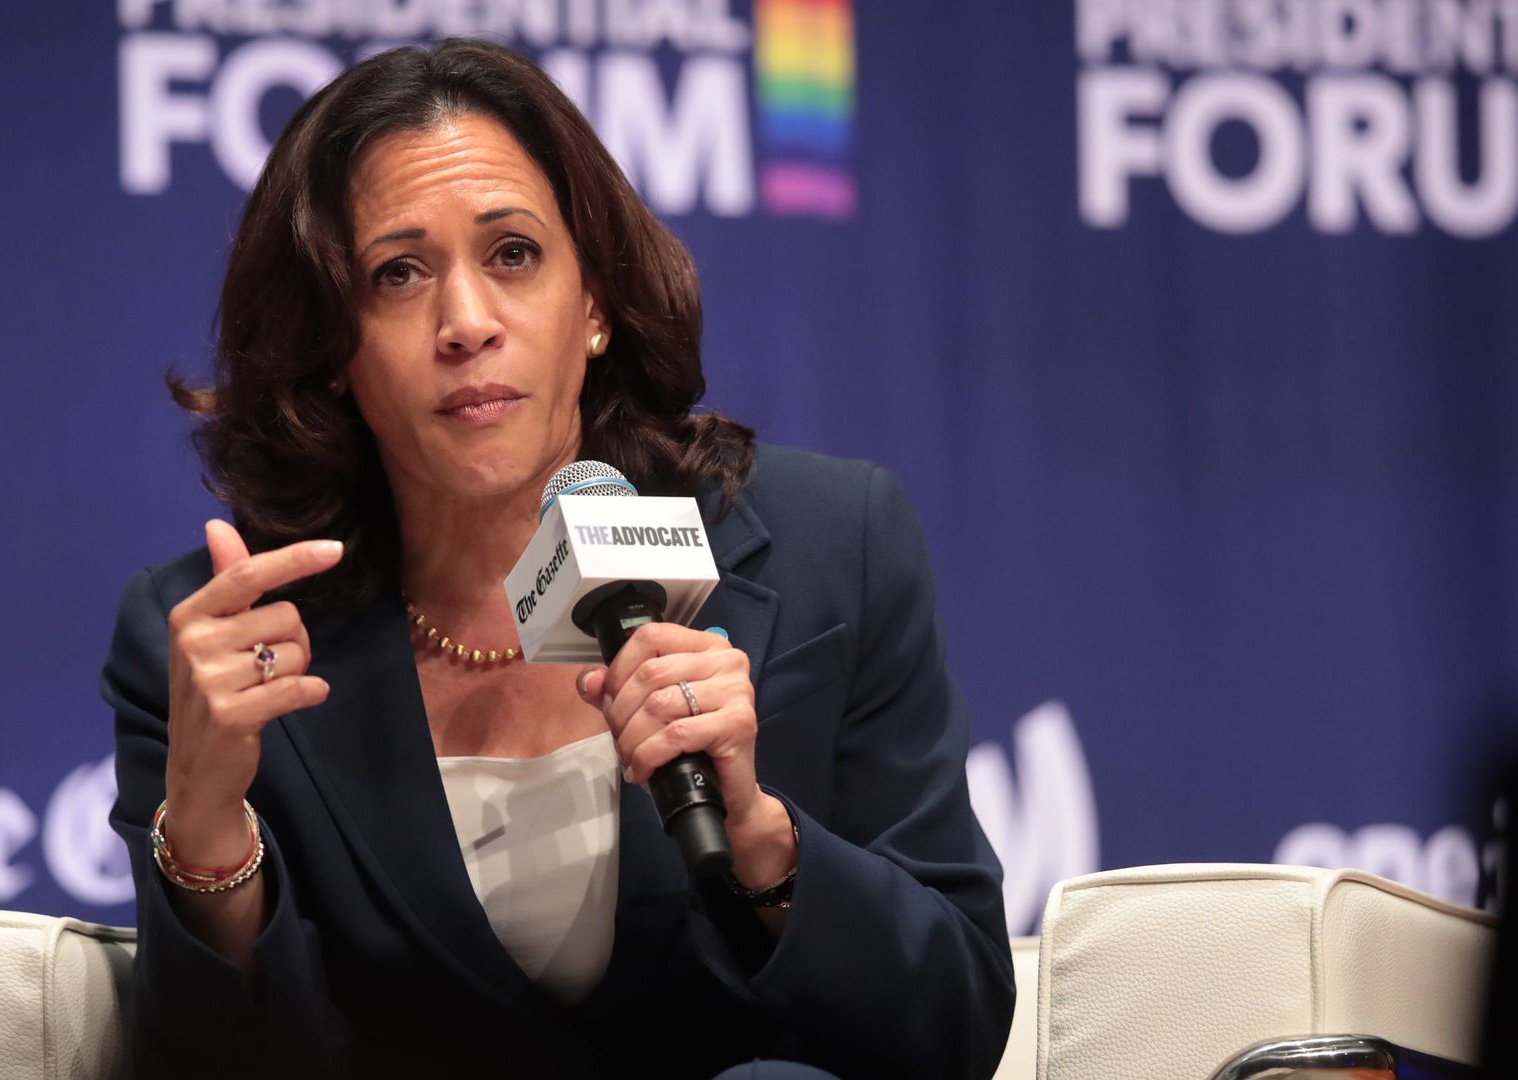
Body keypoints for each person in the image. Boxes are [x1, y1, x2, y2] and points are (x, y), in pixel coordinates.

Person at [102, 37, 1013, 1080]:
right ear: (335, 348)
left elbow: (957, 1026)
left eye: (513, 255)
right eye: (398, 275)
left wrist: (766, 844)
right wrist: (210, 834)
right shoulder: (219, 641)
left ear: (595, 305)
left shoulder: (830, 548)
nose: (467, 323)